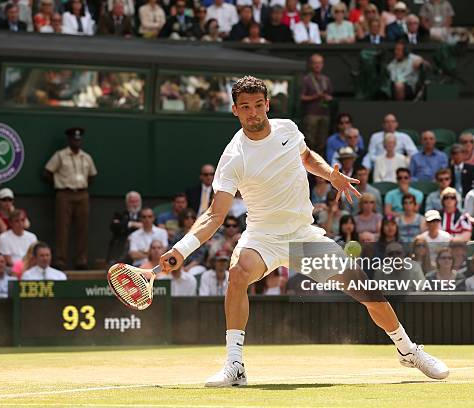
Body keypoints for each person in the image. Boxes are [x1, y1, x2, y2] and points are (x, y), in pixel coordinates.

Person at [158, 76, 448, 386]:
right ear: (235, 110)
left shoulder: (288, 129)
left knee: (367, 293)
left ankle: (408, 351)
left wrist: (330, 175)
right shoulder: (233, 157)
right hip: (262, 239)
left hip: (302, 238)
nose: (253, 113)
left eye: (258, 105)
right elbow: (215, 214)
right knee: (239, 274)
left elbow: (307, 157)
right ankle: (235, 365)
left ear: (267, 105)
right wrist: (182, 249)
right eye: (245, 107)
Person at [44, 127, 98, 270]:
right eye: (74, 139)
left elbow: (92, 175)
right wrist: (60, 184)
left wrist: (81, 186)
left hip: (82, 193)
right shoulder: (60, 155)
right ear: (69, 140)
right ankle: (60, 260)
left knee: (82, 228)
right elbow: (47, 172)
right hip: (64, 194)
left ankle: (81, 260)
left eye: (79, 139)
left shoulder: (86, 157)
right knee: (62, 227)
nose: (77, 141)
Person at [301, 54, 333, 156]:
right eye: (315, 63)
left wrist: (328, 98)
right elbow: (302, 97)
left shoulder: (326, 79)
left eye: (319, 63)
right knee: (310, 141)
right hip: (311, 114)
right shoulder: (306, 79)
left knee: (322, 142)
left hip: (324, 113)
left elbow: (330, 95)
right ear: (311, 65)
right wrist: (316, 96)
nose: (317, 65)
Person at [108, 191, 142, 263]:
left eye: (136, 201)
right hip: (122, 244)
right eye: (132, 202)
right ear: (127, 203)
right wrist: (132, 224)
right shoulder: (119, 214)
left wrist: (125, 224)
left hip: (140, 245)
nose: (135, 204)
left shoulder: (145, 215)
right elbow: (115, 227)